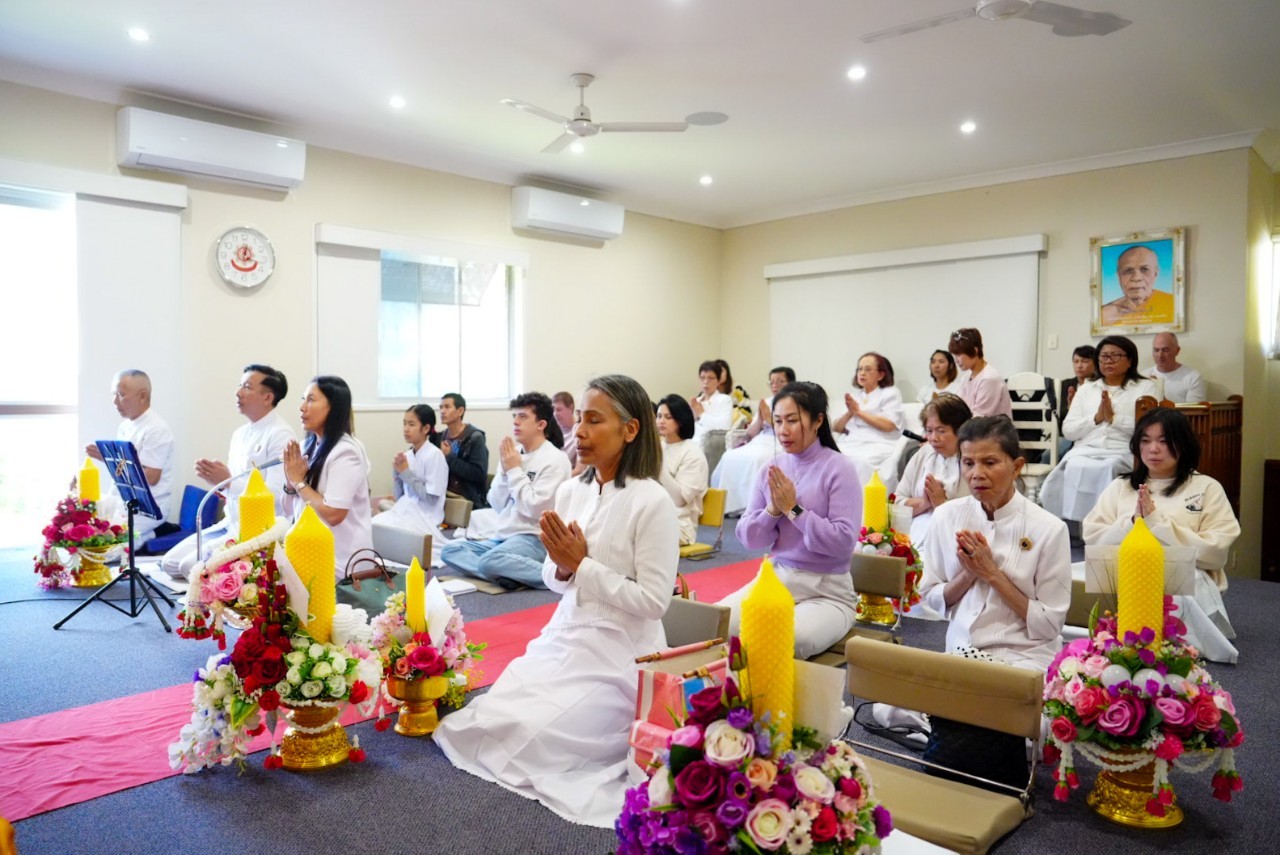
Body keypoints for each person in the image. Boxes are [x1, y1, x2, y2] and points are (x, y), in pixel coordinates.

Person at [435, 374, 678, 828]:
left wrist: (581, 565)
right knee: (490, 719)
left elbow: (654, 602)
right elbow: (553, 577)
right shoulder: (572, 490)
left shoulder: (653, 502)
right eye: (579, 419)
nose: (579, 431)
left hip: (623, 652)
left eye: (594, 421)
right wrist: (565, 567)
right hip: (566, 634)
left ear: (630, 429)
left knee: (536, 734)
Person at [1083, 409, 1241, 662]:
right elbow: (1093, 540)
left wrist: (1156, 522)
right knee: (1075, 571)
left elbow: (1215, 553)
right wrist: (1132, 522)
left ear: (1183, 444)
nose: (1153, 449)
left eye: (1164, 441)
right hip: (1125, 575)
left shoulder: (1206, 487)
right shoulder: (1120, 487)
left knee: (1173, 584)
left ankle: (1164, 644)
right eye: (1146, 441)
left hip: (1183, 581)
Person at [718, 381, 862, 659]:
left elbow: (843, 542)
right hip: (776, 580)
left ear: (818, 421)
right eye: (778, 421)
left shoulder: (840, 468)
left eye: (792, 421)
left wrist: (793, 510)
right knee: (718, 624)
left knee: (786, 640)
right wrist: (773, 510)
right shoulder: (771, 469)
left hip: (827, 592)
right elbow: (749, 537)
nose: (783, 430)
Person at [919, 417, 1071, 670]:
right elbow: (931, 597)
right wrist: (968, 574)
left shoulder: (1049, 529)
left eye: (990, 463)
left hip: (1025, 657)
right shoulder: (946, 516)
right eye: (968, 463)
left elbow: (1049, 624)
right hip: (960, 650)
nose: (977, 474)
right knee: (889, 692)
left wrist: (991, 573)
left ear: (1016, 466)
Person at [161, 365, 294, 579]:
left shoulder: (280, 434)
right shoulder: (240, 434)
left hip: (257, 530)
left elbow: (277, 497)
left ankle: (219, 594)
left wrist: (229, 482)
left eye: (247, 387)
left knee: (189, 568)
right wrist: (219, 483)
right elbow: (233, 487)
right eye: (240, 385)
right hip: (230, 523)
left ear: (267, 397)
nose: (238, 392)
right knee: (169, 564)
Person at [441, 392, 572, 589]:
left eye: (523, 417)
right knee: (450, 550)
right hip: (503, 538)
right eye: (515, 416)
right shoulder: (513, 453)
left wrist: (513, 471)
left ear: (541, 424)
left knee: (490, 561)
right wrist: (505, 471)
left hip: (535, 539)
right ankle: (508, 574)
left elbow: (536, 510)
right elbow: (496, 503)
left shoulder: (555, 459)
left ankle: (557, 578)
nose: (516, 422)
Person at [1040, 336, 1157, 521]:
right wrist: (1095, 418)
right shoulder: (1087, 389)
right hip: (1085, 449)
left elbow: (1150, 430)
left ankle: (1105, 522)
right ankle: (1073, 525)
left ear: (1130, 360)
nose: (1108, 361)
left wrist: (1114, 419)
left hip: (1122, 450)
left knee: (1107, 467)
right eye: (1104, 356)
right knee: (1073, 465)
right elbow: (1068, 431)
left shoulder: (1145, 388)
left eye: (1115, 356)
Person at [280, 376, 373, 580]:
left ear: (333, 407)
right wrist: (290, 481)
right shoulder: (307, 447)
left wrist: (298, 482)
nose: (302, 407)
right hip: (308, 549)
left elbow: (334, 514)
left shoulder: (346, 451)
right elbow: (288, 510)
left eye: (311, 400)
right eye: (303, 399)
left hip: (341, 563)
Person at [86, 369, 176, 542]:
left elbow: (151, 477)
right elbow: (122, 469)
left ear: (142, 396)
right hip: (122, 499)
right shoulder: (125, 426)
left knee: (107, 545)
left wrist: (112, 459)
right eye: (114, 395)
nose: (115, 401)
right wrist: (109, 459)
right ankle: (150, 535)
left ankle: (154, 533)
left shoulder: (156, 429)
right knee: (86, 525)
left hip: (146, 507)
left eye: (121, 395)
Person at [371, 404, 449, 566]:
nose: (406, 429)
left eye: (411, 424)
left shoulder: (435, 455)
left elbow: (431, 499)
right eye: (404, 423)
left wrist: (405, 472)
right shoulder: (408, 455)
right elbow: (400, 497)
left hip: (424, 516)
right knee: (373, 526)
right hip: (404, 510)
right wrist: (397, 474)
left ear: (426, 428)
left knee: (387, 535)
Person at [893, 393, 972, 551]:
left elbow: (980, 515)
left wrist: (941, 505)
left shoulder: (972, 460)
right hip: (914, 537)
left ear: (960, 430)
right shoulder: (923, 453)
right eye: (929, 431)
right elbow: (897, 502)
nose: (933, 438)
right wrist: (924, 503)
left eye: (941, 431)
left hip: (953, 543)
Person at [711, 366, 794, 514]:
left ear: (791, 383)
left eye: (780, 381)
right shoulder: (767, 402)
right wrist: (761, 419)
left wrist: (771, 420)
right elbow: (751, 433)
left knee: (757, 459)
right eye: (772, 382)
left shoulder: (795, 403)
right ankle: (727, 506)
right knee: (729, 456)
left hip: (780, 441)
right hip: (761, 439)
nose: (775, 385)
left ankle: (752, 507)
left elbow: (790, 431)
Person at [833, 352, 905, 489]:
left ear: (881, 375)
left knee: (858, 463)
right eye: (859, 369)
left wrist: (858, 412)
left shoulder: (890, 393)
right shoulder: (855, 396)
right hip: (851, 442)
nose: (862, 373)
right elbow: (836, 427)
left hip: (877, 443)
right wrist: (849, 412)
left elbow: (889, 425)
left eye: (867, 369)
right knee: (831, 458)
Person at [655, 394, 709, 546]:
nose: (661, 421)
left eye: (668, 417)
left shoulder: (692, 453)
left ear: (681, 419)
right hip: (652, 515)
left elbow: (680, 500)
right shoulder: (658, 447)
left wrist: (656, 465)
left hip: (680, 525)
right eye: (659, 416)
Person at [433, 392, 490, 509]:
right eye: (441, 407)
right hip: (443, 494)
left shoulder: (475, 437)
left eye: (447, 407)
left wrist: (449, 457)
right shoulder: (441, 436)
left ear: (460, 411)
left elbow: (479, 474)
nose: (442, 411)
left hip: (465, 498)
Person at [1100, 244, 1175, 327]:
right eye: (1128, 270)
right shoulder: (1103, 314)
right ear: (1119, 276)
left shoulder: (1173, 304)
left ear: (1155, 274)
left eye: (1145, 269)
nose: (1136, 278)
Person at [948, 328, 1014, 420]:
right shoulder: (966, 378)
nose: (956, 360)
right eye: (954, 355)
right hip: (972, 426)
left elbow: (979, 418)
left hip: (990, 428)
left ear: (975, 350)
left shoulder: (990, 379)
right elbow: (957, 407)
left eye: (958, 355)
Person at [1147, 332, 1206, 403]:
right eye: (1156, 350)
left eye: (1165, 350)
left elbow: (1194, 409)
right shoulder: (1144, 376)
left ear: (1177, 350)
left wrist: (1162, 398)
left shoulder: (1193, 378)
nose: (1160, 355)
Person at [689, 359, 734, 446]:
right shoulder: (696, 401)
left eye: (711, 378)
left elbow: (725, 426)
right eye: (703, 378)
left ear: (718, 381)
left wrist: (701, 414)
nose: (706, 382)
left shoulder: (725, 400)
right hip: (691, 443)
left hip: (711, 446)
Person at [1058, 345, 1098, 426]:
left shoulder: (1100, 385)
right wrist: (1070, 408)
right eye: (1076, 361)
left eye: (1085, 361)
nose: (1079, 366)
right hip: (1068, 430)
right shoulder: (1065, 385)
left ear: (1095, 364)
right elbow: (1052, 415)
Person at [553, 390, 579, 467]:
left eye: (559, 410)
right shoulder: (551, 431)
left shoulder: (579, 433)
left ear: (571, 408)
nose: (555, 414)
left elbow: (579, 470)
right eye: (553, 410)